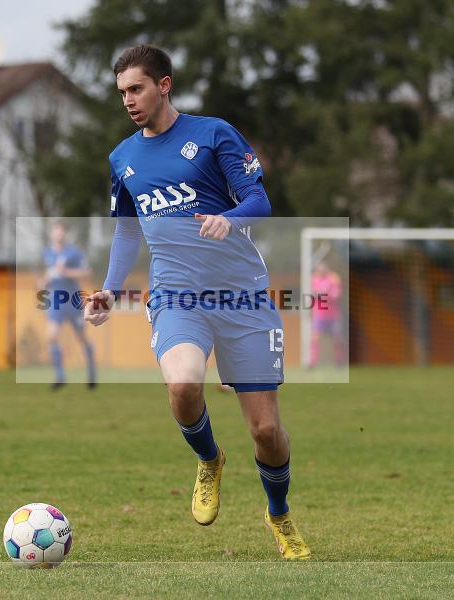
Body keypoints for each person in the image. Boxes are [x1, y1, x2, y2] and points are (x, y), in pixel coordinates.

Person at [84, 44, 309, 560]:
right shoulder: (123, 158)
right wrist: (109, 290)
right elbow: (126, 234)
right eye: (121, 92)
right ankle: (209, 460)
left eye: (136, 88)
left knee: (267, 431)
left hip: (242, 296)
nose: (128, 100)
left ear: (164, 85)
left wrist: (231, 217)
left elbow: (260, 199)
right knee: (184, 385)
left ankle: (279, 513)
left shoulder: (212, 134)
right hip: (177, 296)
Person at [42, 221, 96, 389]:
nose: (58, 234)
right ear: (52, 233)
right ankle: (60, 376)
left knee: (82, 338)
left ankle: (92, 373)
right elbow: (50, 272)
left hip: (72, 300)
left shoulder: (74, 253)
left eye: (61, 232)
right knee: (51, 336)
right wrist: (43, 281)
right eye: (56, 231)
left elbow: (87, 273)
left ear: (65, 234)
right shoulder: (47, 252)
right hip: (56, 300)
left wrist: (67, 272)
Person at [309, 260, 344, 368]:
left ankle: (339, 361)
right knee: (315, 338)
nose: (321, 269)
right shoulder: (314, 278)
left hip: (333, 315)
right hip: (319, 314)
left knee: (337, 338)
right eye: (320, 267)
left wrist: (326, 294)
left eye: (323, 267)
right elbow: (313, 294)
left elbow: (336, 295)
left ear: (327, 267)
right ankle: (312, 362)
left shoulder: (334, 278)